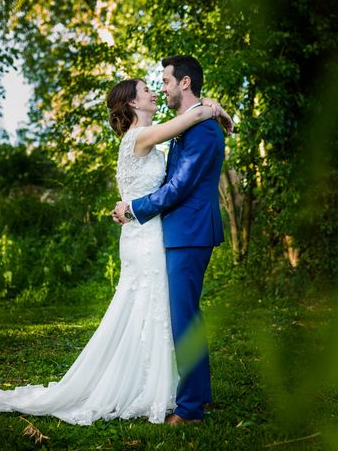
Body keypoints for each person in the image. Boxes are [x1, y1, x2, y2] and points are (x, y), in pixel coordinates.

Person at [0, 77, 232, 425]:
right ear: (132, 105)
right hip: (146, 236)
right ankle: (157, 391)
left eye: (159, 85)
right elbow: (188, 118)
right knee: (152, 310)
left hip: (150, 233)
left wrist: (214, 108)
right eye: (146, 91)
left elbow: (189, 117)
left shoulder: (148, 142)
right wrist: (215, 109)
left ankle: (168, 390)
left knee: (158, 312)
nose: (154, 91)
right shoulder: (141, 137)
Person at [112, 55, 229, 426]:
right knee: (185, 317)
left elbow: (178, 187)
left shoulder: (204, 129)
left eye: (164, 80)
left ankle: (190, 409)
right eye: (156, 84)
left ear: (184, 83)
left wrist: (133, 209)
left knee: (183, 319)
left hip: (190, 232)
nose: (160, 87)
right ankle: (199, 397)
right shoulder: (185, 126)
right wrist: (218, 110)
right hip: (176, 233)